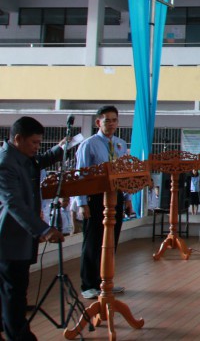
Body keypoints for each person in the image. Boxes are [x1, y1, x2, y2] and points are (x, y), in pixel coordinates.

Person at [0, 116, 65, 341]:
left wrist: (60, 149)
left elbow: (40, 161)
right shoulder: (6, 163)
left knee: (13, 291)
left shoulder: (21, 157)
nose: (37, 147)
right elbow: (13, 203)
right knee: (14, 293)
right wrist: (44, 230)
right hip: (9, 238)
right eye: (34, 143)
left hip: (21, 238)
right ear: (18, 139)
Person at [76, 105, 127, 300]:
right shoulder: (89, 145)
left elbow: (124, 173)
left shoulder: (120, 144)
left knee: (111, 240)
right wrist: (82, 203)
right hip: (96, 198)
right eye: (107, 120)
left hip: (116, 197)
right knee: (93, 241)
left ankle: (106, 280)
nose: (111, 124)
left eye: (114, 120)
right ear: (98, 122)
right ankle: (89, 284)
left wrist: (127, 198)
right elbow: (81, 176)